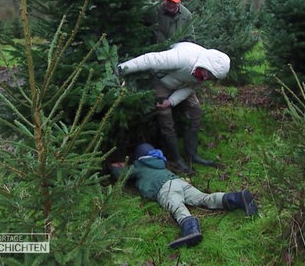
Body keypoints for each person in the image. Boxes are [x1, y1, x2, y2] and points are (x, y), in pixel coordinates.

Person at [110, 143, 258, 249]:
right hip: (179, 181)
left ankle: (191, 230)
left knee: (177, 207)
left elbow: (120, 174)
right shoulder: (159, 162)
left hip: (164, 188)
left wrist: (113, 166)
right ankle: (237, 198)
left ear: (139, 157)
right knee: (203, 198)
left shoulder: (139, 165)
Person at [117, 42, 230, 174]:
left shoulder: (203, 72)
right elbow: (149, 59)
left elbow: (189, 87)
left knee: (195, 112)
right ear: (207, 64)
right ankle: (177, 159)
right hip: (162, 83)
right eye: (208, 74)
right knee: (166, 118)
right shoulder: (181, 58)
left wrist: (171, 101)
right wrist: (121, 69)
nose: (207, 77)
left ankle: (192, 155)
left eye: (211, 77)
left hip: (183, 85)